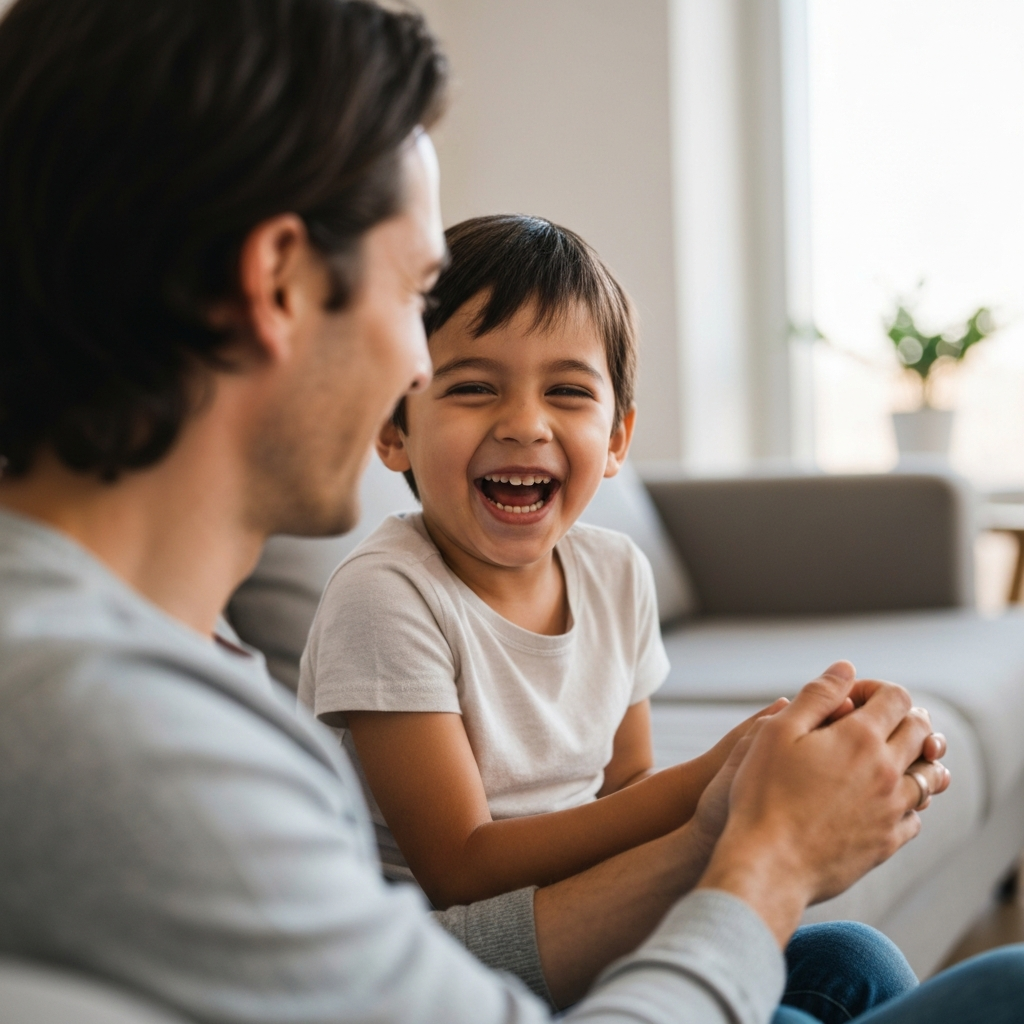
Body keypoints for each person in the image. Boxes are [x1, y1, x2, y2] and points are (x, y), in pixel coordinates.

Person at [0, 0, 1019, 1022]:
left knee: (852, 969)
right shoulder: (116, 728)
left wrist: (737, 819)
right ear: (277, 285)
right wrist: (769, 855)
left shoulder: (150, 652)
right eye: (414, 293)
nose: (414, 361)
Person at [299, 212, 790, 909]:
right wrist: (716, 777)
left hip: (584, 911)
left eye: (568, 391)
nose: (526, 424)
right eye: (472, 387)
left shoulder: (617, 573)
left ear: (617, 437)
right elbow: (460, 870)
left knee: (851, 960)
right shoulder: (385, 595)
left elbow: (624, 787)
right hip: (445, 955)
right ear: (391, 428)